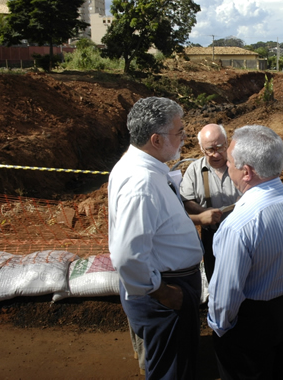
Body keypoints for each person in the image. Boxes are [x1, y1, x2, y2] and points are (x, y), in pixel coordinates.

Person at [207, 125, 283, 379]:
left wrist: (221, 329)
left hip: (255, 322)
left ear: (246, 172)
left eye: (229, 163)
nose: (227, 168)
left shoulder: (238, 225)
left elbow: (225, 299)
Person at [108, 96, 203, 379]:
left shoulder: (144, 169)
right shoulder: (142, 183)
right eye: (179, 132)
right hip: (164, 292)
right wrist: (162, 292)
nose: (185, 138)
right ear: (156, 139)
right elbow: (126, 255)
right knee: (170, 371)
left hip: (167, 284)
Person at [180, 124, 242, 282]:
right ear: (201, 149)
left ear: (227, 143)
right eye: (210, 150)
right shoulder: (194, 170)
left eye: (220, 147)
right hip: (211, 236)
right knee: (214, 278)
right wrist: (203, 212)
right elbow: (187, 200)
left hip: (241, 235)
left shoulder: (240, 166)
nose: (216, 154)